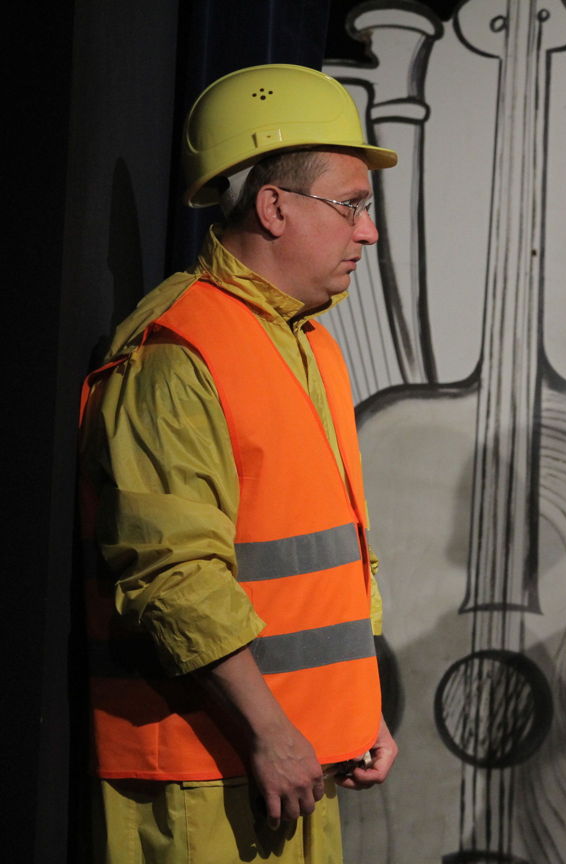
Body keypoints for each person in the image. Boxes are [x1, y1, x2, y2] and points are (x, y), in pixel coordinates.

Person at [78, 64, 399, 863]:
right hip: (207, 770)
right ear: (274, 206)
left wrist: (354, 709)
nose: (368, 233)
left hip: (298, 754)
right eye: (352, 205)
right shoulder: (176, 352)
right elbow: (174, 575)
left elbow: (323, 562)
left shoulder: (308, 343)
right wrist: (270, 731)